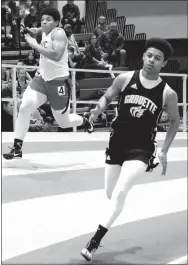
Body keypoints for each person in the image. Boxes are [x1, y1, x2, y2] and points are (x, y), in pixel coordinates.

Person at [80, 38, 180, 261]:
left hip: (142, 148)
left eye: (158, 58)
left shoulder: (168, 93)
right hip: (117, 144)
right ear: (144, 56)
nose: (152, 60)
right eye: (149, 55)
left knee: (120, 191)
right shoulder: (125, 79)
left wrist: (164, 150)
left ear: (164, 63)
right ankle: (116, 209)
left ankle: (94, 242)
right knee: (111, 194)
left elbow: (175, 121)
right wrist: (96, 111)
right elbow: (107, 97)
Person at [3, 8, 93, 160]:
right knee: (24, 107)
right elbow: (38, 30)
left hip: (58, 83)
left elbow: (57, 56)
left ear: (57, 22)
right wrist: (31, 31)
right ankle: (17, 148)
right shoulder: (43, 30)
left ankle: (85, 119)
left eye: (48, 19)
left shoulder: (59, 33)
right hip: (41, 80)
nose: (44, 21)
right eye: (42, 19)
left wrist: (34, 44)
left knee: (63, 122)